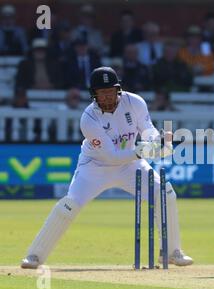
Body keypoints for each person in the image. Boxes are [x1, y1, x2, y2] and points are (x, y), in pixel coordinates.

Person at [21, 67, 193, 269]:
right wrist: (143, 151)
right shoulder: (89, 118)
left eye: (111, 91)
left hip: (130, 165)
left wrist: (159, 142)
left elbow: (148, 131)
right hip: (94, 167)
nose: (108, 97)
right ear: (94, 95)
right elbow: (111, 156)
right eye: (103, 93)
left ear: (118, 89)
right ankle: (35, 255)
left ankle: (172, 251)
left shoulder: (134, 102)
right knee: (69, 205)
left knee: (165, 193)